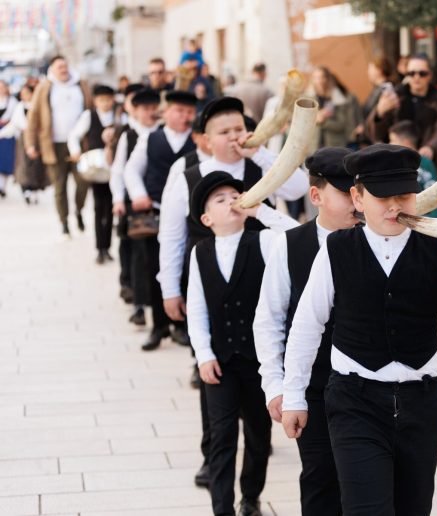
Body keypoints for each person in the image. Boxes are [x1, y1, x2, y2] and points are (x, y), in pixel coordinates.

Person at [281, 144, 437, 515]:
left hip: (421, 404)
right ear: (357, 196)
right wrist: (293, 395)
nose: (394, 206)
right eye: (382, 196)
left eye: (404, 195)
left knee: (414, 509)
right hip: (354, 402)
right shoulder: (336, 250)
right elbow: (308, 324)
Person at [157, 96, 304, 488]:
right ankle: (214, 455)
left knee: (260, 374)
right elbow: (171, 232)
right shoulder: (186, 172)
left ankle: (256, 450)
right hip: (210, 287)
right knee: (212, 375)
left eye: (240, 128)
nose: (235, 137)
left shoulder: (259, 163)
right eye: (225, 132)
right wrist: (169, 286)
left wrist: (264, 152)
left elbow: (298, 186)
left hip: (260, 282)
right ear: (206, 140)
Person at [254, 147, 357, 516]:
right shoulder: (289, 245)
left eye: (361, 190)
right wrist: (276, 387)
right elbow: (268, 319)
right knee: (320, 477)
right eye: (346, 192)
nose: (357, 201)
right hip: (311, 387)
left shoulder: (375, 241)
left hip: (366, 389)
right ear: (316, 196)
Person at [187, 172, 274, 516]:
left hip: (258, 360)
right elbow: (196, 309)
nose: (231, 202)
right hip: (220, 361)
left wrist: (259, 211)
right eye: (220, 200)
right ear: (207, 218)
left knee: (258, 434)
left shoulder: (264, 242)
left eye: (236, 195)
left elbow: (292, 236)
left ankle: (250, 496)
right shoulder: (200, 253)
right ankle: (221, 508)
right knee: (221, 437)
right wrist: (203, 356)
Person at [124, 90, 197, 352]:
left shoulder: (198, 140)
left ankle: (182, 326)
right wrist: (139, 195)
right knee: (157, 269)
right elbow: (131, 169)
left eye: (190, 112)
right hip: (155, 212)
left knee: (188, 271)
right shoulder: (151, 139)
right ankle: (159, 326)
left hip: (191, 215)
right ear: (166, 112)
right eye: (179, 111)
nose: (185, 117)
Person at [24, 55, 92, 235]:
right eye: (59, 66)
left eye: (65, 65)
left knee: (83, 182)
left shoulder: (81, 85)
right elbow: (33, 117)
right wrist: (30, 144)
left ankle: (79, 210)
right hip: (54, 145)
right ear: (52, 69)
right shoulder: (44, 87)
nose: (63, 69)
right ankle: (64, 222)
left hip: (79, 144)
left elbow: (91, 110)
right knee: (60, 187)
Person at [111, 87, 162, 325]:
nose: (150, 113)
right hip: (137, 206)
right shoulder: (128, 135)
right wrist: (119, 200)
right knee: (140, 254)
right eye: (145, 109)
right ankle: (140, 305)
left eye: (154, 108)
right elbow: (119, 169)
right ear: (136, 111)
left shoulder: (163, 133)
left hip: (161, 204)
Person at [366, 54, 437, 172]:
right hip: (396, 164)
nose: (416, 77)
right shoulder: (395, 96)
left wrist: (431, 148)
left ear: (429, 75)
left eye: (422, 73)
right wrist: (379, 113)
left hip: (426, 165)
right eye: (411, 73)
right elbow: (376, 134)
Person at [67, 84, 118, 264]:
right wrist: (76, 152)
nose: (105, 103)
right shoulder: (89, 116)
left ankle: (108, 246)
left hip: (115, 169)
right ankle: (100, 248)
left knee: (112, 207)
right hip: (96, 169)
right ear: (95, 101)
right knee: (98, 207)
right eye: (101, 100)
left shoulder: (118, 115)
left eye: (108, 100)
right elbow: (74, 135)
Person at [0, 84, 48, 203]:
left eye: (26, 93)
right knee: (23, 165)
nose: (24, 96)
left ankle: (35, 190)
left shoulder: (39, 106)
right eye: (22, 94)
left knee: (36, 166)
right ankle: (26, 189)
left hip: (37, 139)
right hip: (23, 139)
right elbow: (14, 124)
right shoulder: (20, 107)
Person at [388, 120, 437, 218]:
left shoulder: (424, 164)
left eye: (392, 140)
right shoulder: (392, 164)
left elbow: (436, 196)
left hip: (423, 221)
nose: (389, 144)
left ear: (405, 143)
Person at [310, 66, 361, 150]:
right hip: (315, 147)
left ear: (328, 79)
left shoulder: (337, 98)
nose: (319, 81)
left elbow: (341, 124)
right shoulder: (311, 98)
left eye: (321, 77)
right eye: (316, 78)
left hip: (335, 145)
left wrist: (323, 121)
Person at [0, 80, 19, 197]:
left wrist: (7, 122)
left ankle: (2, 185)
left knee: (5, 160)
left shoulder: (12, 102)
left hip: (7, 132)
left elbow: (16, 118)